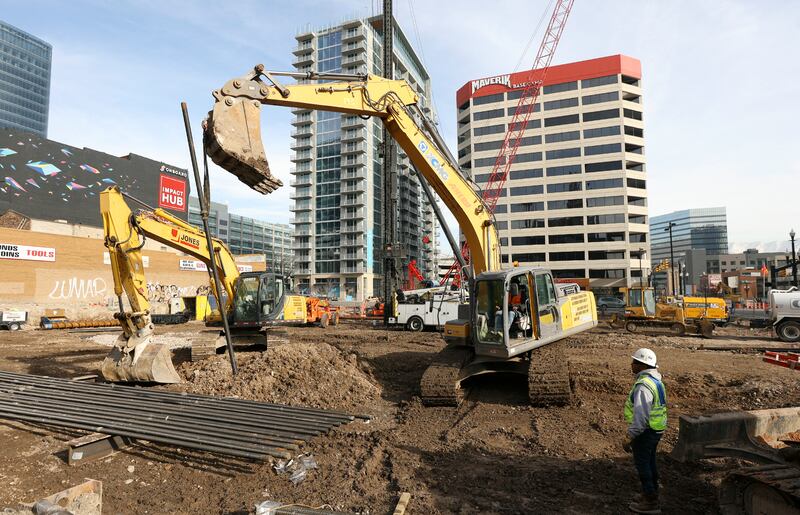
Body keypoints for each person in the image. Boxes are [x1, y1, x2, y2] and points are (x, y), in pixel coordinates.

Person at [623, 348, 667, 514]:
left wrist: (630, 435)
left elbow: (641, 417)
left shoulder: (644, 386)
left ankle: (650, 501)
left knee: (643, 465)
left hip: (645, 432)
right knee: (650, 462)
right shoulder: (655, 380)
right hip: (655, 430)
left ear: (642, 365)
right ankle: (652, 492)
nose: (631, 364)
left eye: (634, 362)